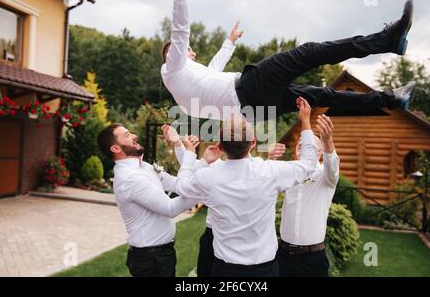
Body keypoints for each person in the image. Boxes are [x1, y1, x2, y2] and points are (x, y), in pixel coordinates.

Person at [161, 0, 416, 121]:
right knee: (308, 53)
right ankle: (386, 40)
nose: (192, 52)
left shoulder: (184, 93)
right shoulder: (173, 67)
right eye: (189, 51)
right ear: (172, 55)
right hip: (251, 87)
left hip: (256, 111)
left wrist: (229, 42)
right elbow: (180, 32)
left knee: (321, 96)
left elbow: (213, 70)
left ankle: (391, 99)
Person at [173, 97, 318, 276]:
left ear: (219, 146)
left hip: (225, 271)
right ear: (253, 142)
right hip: (264, 271)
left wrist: (192, 156)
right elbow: (310, 163)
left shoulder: (207, 176)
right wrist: (305, 120)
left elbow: (181, 186)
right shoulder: (270, 172)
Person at [161, 125, 286, 277]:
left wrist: (270, 160)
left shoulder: (259, 171)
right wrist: (178, 144)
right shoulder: (216, 168)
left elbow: (187, 177)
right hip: (213, 236)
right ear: (252, 142)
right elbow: (192, 169)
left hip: (250, 245)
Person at [96, 123, 200, 277]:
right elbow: (170, 208)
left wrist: (178, 143)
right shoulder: (130, 178)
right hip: (150, 259)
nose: (134, 135)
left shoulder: (144, 167)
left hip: (161, 254)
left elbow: (178, 184)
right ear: (116, 148)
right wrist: (203, 191)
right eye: (127, 135)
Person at [276, 114, 339, 277]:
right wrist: (270, 158)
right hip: (283, 255)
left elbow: (333, 166)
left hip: (312, 259)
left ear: (318, 152)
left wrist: (327, 141)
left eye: (307, 146)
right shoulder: (290, 173)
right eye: (299, 146)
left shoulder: (326, 177)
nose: (301, 149)